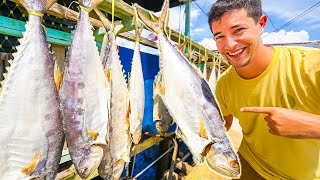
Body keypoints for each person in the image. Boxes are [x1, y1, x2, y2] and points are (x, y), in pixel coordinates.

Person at [207, 0, 320, 179]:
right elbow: (223, 124)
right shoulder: (224, 84)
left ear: (261, 24)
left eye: (238, 30)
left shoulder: (312, 65)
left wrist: (314, 126)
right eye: (219, 36)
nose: (229, 45)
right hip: (250, 166)